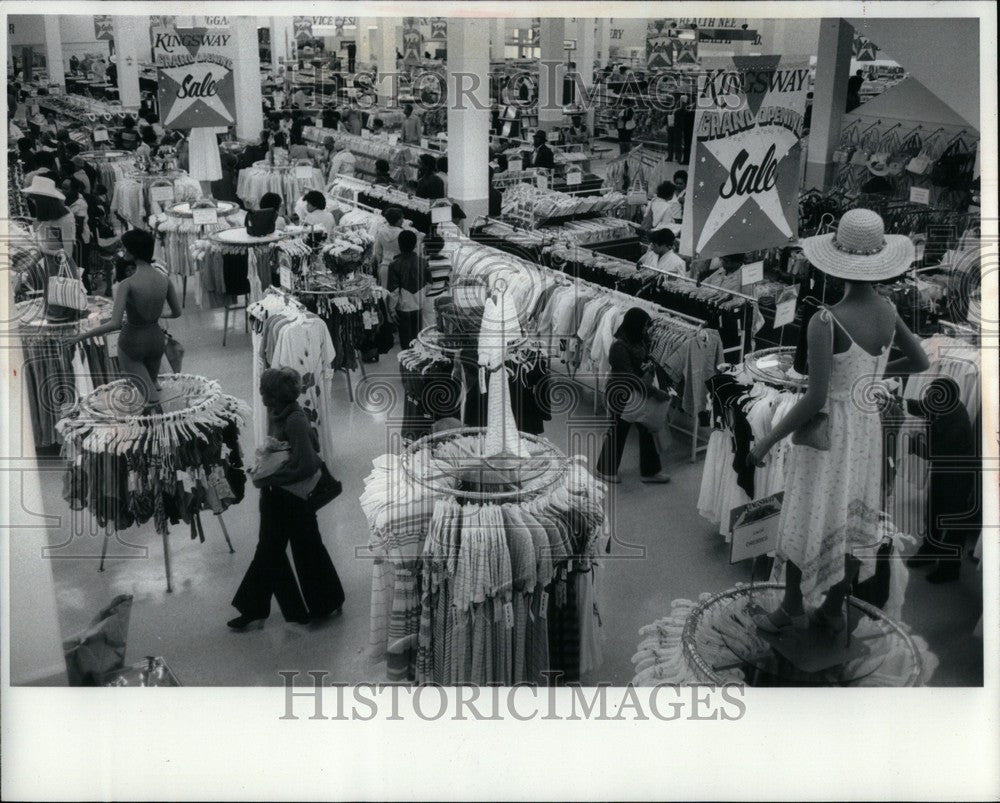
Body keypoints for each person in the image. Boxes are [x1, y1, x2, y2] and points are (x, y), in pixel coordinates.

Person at [747, 209, 929, 634]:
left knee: (807, 509)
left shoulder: (825, 319)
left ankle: (792, 605)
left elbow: (815, 398)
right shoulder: (888, 309)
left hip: (830, 431)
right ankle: (832, 606)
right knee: (852, 513)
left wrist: (767, 441)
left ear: (834, 262)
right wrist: (873, 377)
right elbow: (919, 359)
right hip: (866, 425)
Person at [230, 366, 346, 630]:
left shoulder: (294, 419)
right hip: (278, 497)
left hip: (290, 498)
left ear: (273, 395)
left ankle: (265, 609)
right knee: (277, 551)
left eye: (264, 393)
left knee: (299, 550)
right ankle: (316, 604)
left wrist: (271, 477)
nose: (261, 397)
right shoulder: (280, 413)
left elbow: (306, 464)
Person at [68, 229, 182, 408]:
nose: (123, 252)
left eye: (126, 249)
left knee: (150, 399)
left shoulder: (127, 284)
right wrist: (157, 315)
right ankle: (158, 429)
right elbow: (177, 313)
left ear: (133, 252)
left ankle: (157, 431)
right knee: (153, 390)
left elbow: (114, 323)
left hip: (132, 342)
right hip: (156, 340)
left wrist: (80, 337)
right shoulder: (164, 280)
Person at [905, 377, 978, 583]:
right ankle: (928, 551)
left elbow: (936, 453)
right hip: (943, 470)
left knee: (953, 524)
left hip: (959, 475)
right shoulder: (939, 403)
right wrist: (896, 400)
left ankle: (949, 570)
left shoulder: (957, 423)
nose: (928, 399)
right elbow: (919, 406)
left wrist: (911, 445)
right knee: (933, 512)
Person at [595, 308, 672, 484]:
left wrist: (647, 366)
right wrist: (655, 392)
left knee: (646, 429)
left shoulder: (639, 339)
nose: (646, 330)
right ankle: (605, 470)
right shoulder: (619, 346)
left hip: (637, 391)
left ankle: (650, 472)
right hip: (621, 393)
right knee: (618, 431)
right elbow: (629, 377)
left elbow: (644, 360)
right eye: (644, 326)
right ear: (635, 325)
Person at [387, 229, 431, 349]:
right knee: (418, 339)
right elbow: (429, 283)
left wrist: (391, 309)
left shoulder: (394, 264)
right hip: (419, 305)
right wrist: (421, 296)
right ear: (415, 244)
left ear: (399, 245)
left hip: (403, 307)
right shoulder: (423, 262)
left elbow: (394, 291)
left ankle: (405, 365)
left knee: (405, 341)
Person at [373, 207, 406, 287]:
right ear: (398, 220)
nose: (403, 220)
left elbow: (378, 252)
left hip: (385, 267)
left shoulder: (381, 232)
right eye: (402, 218)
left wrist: (379, 263)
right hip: (400, 268)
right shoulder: (403, 234)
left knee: (385, 294)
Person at [672, 97, 694, 163]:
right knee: (685, 143)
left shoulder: (678, 111)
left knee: (681, 143)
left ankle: (681, 158)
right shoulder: (688, 110)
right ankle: (682, 158)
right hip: (685, 128)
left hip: (682, 128)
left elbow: (675, 120)